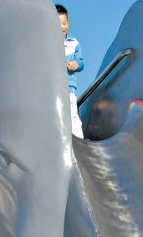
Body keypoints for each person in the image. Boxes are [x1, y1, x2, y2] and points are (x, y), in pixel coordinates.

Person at [56, 4, 84, 138]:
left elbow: (81, 62)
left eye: (64, 23)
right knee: (57, 113)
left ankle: (78, 139)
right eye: (58, 24)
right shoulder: (48, 42)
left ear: (68, 22)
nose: (62, 27)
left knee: (72, 113)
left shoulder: (74, 43)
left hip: (69, 87)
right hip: (54, 87)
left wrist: (76, 64)